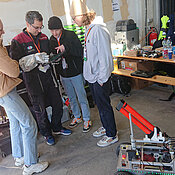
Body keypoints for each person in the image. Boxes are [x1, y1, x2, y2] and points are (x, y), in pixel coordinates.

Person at [10, 11, 71, 146]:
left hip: (48, 77)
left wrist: (52, 58)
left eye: (40, 27)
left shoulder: (44, 37)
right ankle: (47, 133)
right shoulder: (18, 41)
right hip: (33, 82)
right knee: (40, 110)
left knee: (57, 104)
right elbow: (15, 65)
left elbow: (49, 53)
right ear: (27, 24)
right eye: (36, 27)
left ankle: (57, 127)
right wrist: (33, 60)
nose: (39, 30)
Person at [0, 19, 48, 175]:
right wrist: (17, 63)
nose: (3, 32)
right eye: (0, 29)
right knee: (29, 124)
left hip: (4, 91)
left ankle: (20, 156)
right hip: (6, 92)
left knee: (15, 123)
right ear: (28, 25)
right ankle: (31, 164)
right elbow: (13, 71)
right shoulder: (13, 42)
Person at [70, 0, 118, 147]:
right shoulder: (88, 29)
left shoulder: (98, 29)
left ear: (84, 15)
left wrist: (103, 78)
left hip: (100, 78)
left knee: (104, 105)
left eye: (75, 17)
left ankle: (112, 134)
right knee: (99, 105)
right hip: (93, 77)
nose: (73, 20)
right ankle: (106, 126)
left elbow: (105, 56)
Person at [48, 16, 91, 132]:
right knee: (71, 98)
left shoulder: (71, 35)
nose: (54, 33)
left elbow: (79, 51)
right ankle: (77, 117)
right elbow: (53, 55)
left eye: (56, 30)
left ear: (61, 27)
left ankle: (87, 118)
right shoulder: (51, 40)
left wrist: (65, 48)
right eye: (52, 30)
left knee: (81, 96)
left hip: (75, 72)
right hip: (63, 74)